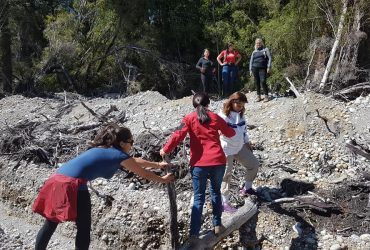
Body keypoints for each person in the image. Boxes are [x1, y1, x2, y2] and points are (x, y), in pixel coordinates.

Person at [32, 124, 174, 250]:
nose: (132, 144)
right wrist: (163, 179)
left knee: (51, 223)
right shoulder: (118, 156)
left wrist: (156, 165)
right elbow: (144, 173)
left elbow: (134, 161)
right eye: (131, 141)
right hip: (72, 185)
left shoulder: (107, 149)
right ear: (123, 143)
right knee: (83, 228)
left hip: (56, 179)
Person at [160, 92, 235, 242]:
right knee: (216, 193)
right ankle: (217, 225)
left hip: (199, 164)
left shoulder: (189, 118)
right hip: (218, 161)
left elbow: (177, 135)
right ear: (208, 103)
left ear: (194, 105)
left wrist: (165, 149)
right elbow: (230, 133)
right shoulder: (215, 117)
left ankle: (194, 233)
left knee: (199, 197)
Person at [218, 92, 260, 213]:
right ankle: (224, 202)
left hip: (239, 146)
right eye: (238, 104)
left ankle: (247, 188)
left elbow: (244, 131)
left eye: (242, 105)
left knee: (254, 164)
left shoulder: (241, 116)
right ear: (232, 102)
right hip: (226, 149)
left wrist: (248, 144)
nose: (240, 107)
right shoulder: (222, 116)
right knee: (227, 175)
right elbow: (216, 131)